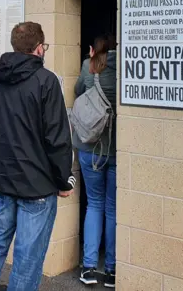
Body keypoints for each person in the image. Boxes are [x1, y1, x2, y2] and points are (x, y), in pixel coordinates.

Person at [0, 22, 75, 291]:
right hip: (37, 187)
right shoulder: (46, 81)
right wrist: (64, 180)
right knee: (28, 259)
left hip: (2, 183)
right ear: (39, 48)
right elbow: (57, 138)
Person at [74, 34, 117, 288]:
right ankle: (111, 270)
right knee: (113, 208)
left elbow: (78, 90)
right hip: (117, 149)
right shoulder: (124, 68)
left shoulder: (87, 66)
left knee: (94, 204)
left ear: (93, 49)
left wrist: (89, 63)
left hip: (90, 147)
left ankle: (89, 267)